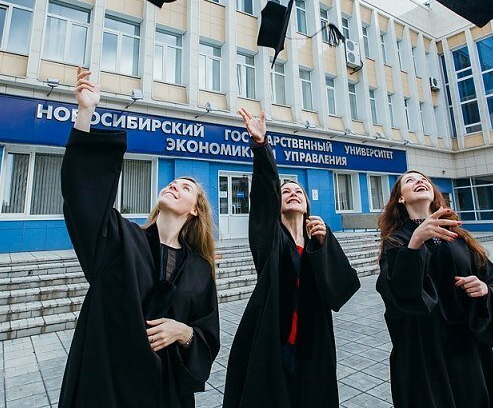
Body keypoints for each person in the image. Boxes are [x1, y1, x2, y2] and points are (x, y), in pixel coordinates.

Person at [59, 68, 220, 408]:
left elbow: (208, 334)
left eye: (186, 187)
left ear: (195, 210)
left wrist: (184, 332)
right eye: (173, 183)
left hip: (166, 393)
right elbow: (84, 197)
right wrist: (85, 112)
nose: (175, 185)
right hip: (110, 387)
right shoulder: (120, 239)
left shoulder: (200, 270)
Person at [223, 108, 360, 408]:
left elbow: (342, 290)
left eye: (298, 190)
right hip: (274, 344)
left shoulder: (318, 240)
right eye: (286, 191)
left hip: (312, 348)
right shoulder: (270, 240)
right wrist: (261, 149)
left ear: (308, 203)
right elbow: (262, 198)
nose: (293, 193)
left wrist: (324, 247)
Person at [376, 170, 493, 408]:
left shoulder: (457, 235)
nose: (420, 181)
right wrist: (415, 243)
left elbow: (492, 280)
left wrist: (485, 290)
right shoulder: (396, 240)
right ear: (401, 199)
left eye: (424, 180)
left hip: (467, 345)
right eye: (410, 180)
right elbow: (395, 291)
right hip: (425, 348)